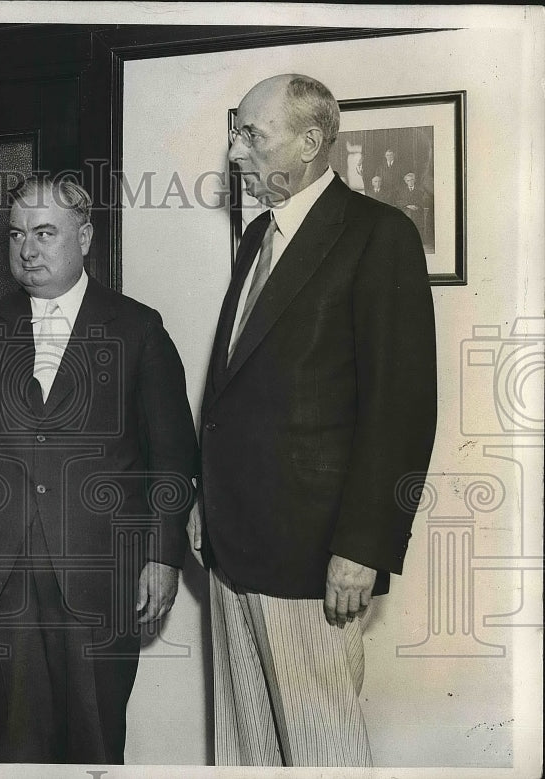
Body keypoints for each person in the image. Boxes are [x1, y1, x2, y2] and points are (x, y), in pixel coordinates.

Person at [0, 176, 197, 764]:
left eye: (45, 233)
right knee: (18, 746)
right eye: (18, 234)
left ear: (86, 237)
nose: (28, 249)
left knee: (95, 743)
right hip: (2, 575)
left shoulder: (137, 327)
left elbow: (173, 456)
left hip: (100, 574)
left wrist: (164, 555)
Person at [191, 74, 436, 766]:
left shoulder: (378, 235)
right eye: (235, 133)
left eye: (251, 135)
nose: (236, 152)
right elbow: (234, 391)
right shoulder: (255, 242)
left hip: (314, 557)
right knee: (247, 751)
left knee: (323, 750)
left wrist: (364, 544)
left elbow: (402, 409)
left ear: (309, 141)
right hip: (232, 550)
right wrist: (204, 498)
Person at [397, 171, 431, 240]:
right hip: (406, 210)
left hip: (417, 211)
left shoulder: (420, 190)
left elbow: (424, 201)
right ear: (406, 182)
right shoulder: (401, 191)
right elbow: (398, 202)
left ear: (415, 180)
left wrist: (417, 206)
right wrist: (408, 205)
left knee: (415, 217)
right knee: (407, 215)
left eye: (412, 180)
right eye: (408, 180)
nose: (410, 182)